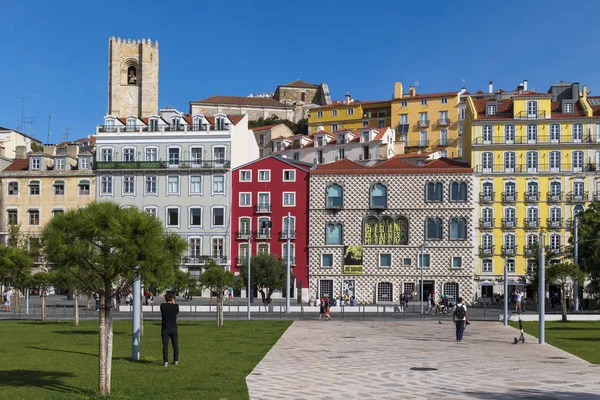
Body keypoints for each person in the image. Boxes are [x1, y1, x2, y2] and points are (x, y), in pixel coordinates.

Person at [160, 293, 179, 367]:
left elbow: (164, 306)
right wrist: (173, 303)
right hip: (174, 328)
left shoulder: (162, 306)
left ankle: (165, 361)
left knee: (165, 345)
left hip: (165, 329)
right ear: (172, 299)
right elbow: (177, 312)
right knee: (175, 345)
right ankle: (176, 360)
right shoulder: (175, 306)